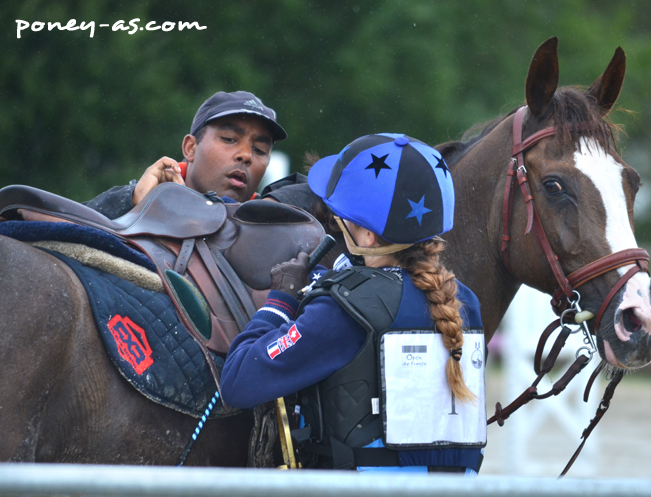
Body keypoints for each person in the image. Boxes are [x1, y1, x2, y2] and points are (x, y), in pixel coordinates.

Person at [220, 133, 486, 474]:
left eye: (341, 214)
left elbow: (239, 380)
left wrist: (280, 300)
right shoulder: (465, 301)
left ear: (368, 236)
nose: (337, 218)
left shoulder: (343, 310)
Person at [85, 91, 293, 219]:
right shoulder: (136, 199)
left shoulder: (271, 224)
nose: (246, 155)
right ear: (190, 148)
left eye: (259, 150)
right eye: (230, 139)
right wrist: (129, 201)